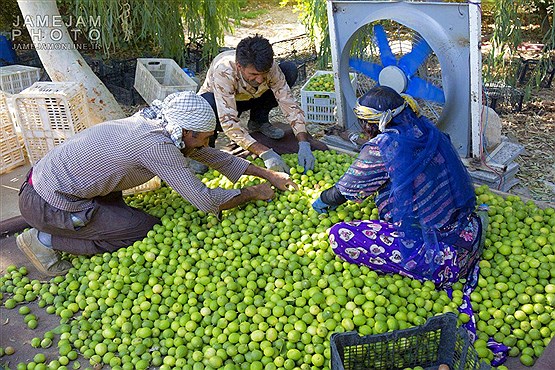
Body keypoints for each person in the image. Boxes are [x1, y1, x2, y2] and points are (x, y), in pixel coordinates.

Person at [16, 91, 298, 277]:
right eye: (204, 137)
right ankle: (43, 240)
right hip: (48, 203)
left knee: (125, 214)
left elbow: (210, 155)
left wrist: (268, 175)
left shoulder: (161, 124)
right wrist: (251, 193)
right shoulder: (158, 145)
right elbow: (207, 201)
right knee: (142, 228)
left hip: (47, 185)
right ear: (187, 132)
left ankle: (82, 222)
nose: (206, 143)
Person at [312, 86, 482, 288]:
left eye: (364, 123)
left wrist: (322, 201)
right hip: (469, 234)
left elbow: (344, 190)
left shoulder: (382, 147)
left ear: (371, 124)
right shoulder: (425, 130)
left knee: (340, 236)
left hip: (440, 257)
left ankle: (423, 270)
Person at [199, 34, 315, 174]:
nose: (260, 79)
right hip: (221, 103)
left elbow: (288, 103)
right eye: (253, 74)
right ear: (239, 66)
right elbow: (228, 121)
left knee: (289, 70)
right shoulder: (224, 70)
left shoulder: (270, 68)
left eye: (264, 73)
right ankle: (203, 148)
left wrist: (303, 143)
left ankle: (258, 121)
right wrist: (265, 153)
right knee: (207, 106)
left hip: (253, 97)